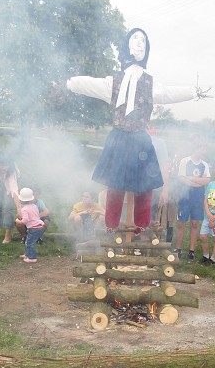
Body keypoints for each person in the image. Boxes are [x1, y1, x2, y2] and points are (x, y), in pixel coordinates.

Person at [66, 28, 205, 234]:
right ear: (127, 46)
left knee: (144, 184)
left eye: (143, 41)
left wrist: (193, 92)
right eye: (135, 39)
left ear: (147, 49)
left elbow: (168, 93)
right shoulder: (112, 82)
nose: (139, 44)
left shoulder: (151, 83)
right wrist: (72, 83)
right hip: (119, 137)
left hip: (141, 138)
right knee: (114, 184)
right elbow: (90, 84)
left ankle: (141, 223)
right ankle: (111, 223)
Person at [174, 146, 211, 261]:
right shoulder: (185, 161)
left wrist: (191, 179)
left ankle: (191, 251)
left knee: (195, 223)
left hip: (198, 198)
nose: (204, 151)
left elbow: (207, 180)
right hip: (184, 197)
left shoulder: (204, 164)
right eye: (202, 149)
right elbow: (181, 178)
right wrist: (198, 181)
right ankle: (178, 249)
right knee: (181, 223)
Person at [15, 187, 45, 263]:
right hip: (40, 226)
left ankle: (32, 258)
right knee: (29, 241)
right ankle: (27, 254)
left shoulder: (24, 209)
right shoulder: (35, 206)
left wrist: (19, 221)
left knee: (29, 243)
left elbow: (25, 220)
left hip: (33, 228)